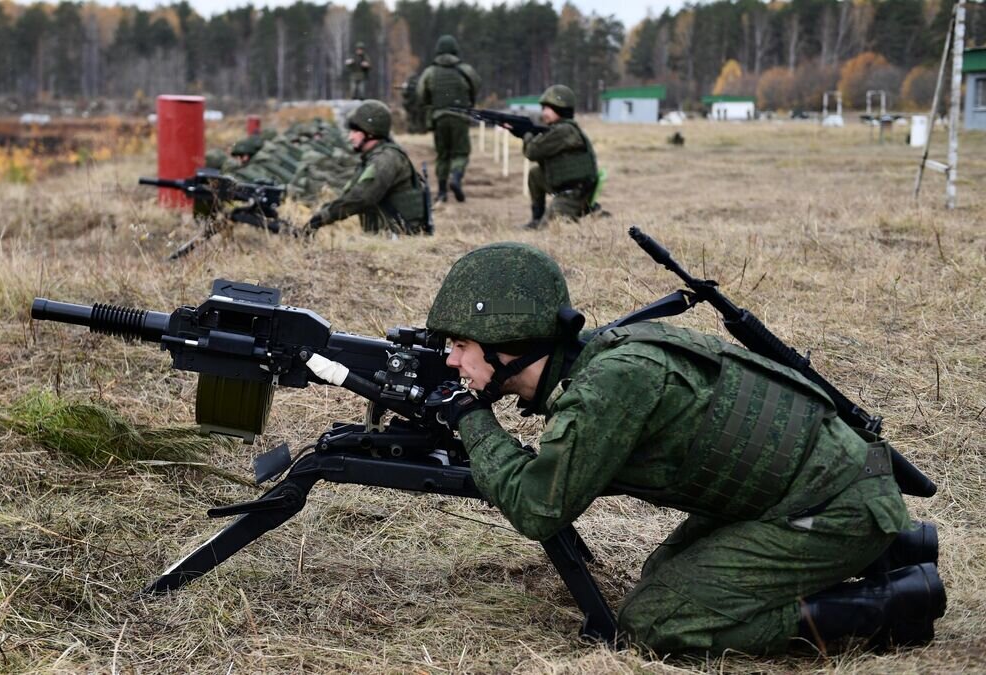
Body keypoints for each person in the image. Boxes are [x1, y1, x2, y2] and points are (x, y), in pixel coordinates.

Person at [423, 241, 945, 654]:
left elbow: (538, 507)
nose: (452, 361)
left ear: (506, 342)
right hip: (824, 487)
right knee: (661, 578)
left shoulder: (608, 388)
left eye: (461, 346)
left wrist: (472, 419)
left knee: (656, 620)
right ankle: (896, 545)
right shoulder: (614, 357)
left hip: (829, 505)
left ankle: (895, 603)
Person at [306, 100, 428, 236]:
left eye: (355, 131)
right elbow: (350, 195)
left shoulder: (385, 159)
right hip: (389, 235)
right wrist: (321, 214)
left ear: (370, 133)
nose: (350, 137)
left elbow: (361, 198)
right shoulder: (374, 156)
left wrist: (322, 218)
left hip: (400, 238)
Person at [512, 85, 599, 229]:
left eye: (548, 108)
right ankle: (536, 218)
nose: (543, 112)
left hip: (573, 194)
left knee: (548, 228)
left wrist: (526, 134)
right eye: (543, 108)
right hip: (566, 187)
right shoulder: (562, 128)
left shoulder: (563, 131)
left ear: (561, 110)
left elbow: (532, 152)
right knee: (535, 174)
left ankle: (585, 210)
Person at [417, 35, 481, 203]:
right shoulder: (465, 70)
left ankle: (442, 192)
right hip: (460, 117)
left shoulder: (430, 72)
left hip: (439, 118)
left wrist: (432, 105)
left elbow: (421, 95)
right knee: (461, 153)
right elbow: (476, 86)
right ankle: (456, 178)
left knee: (442, 155)